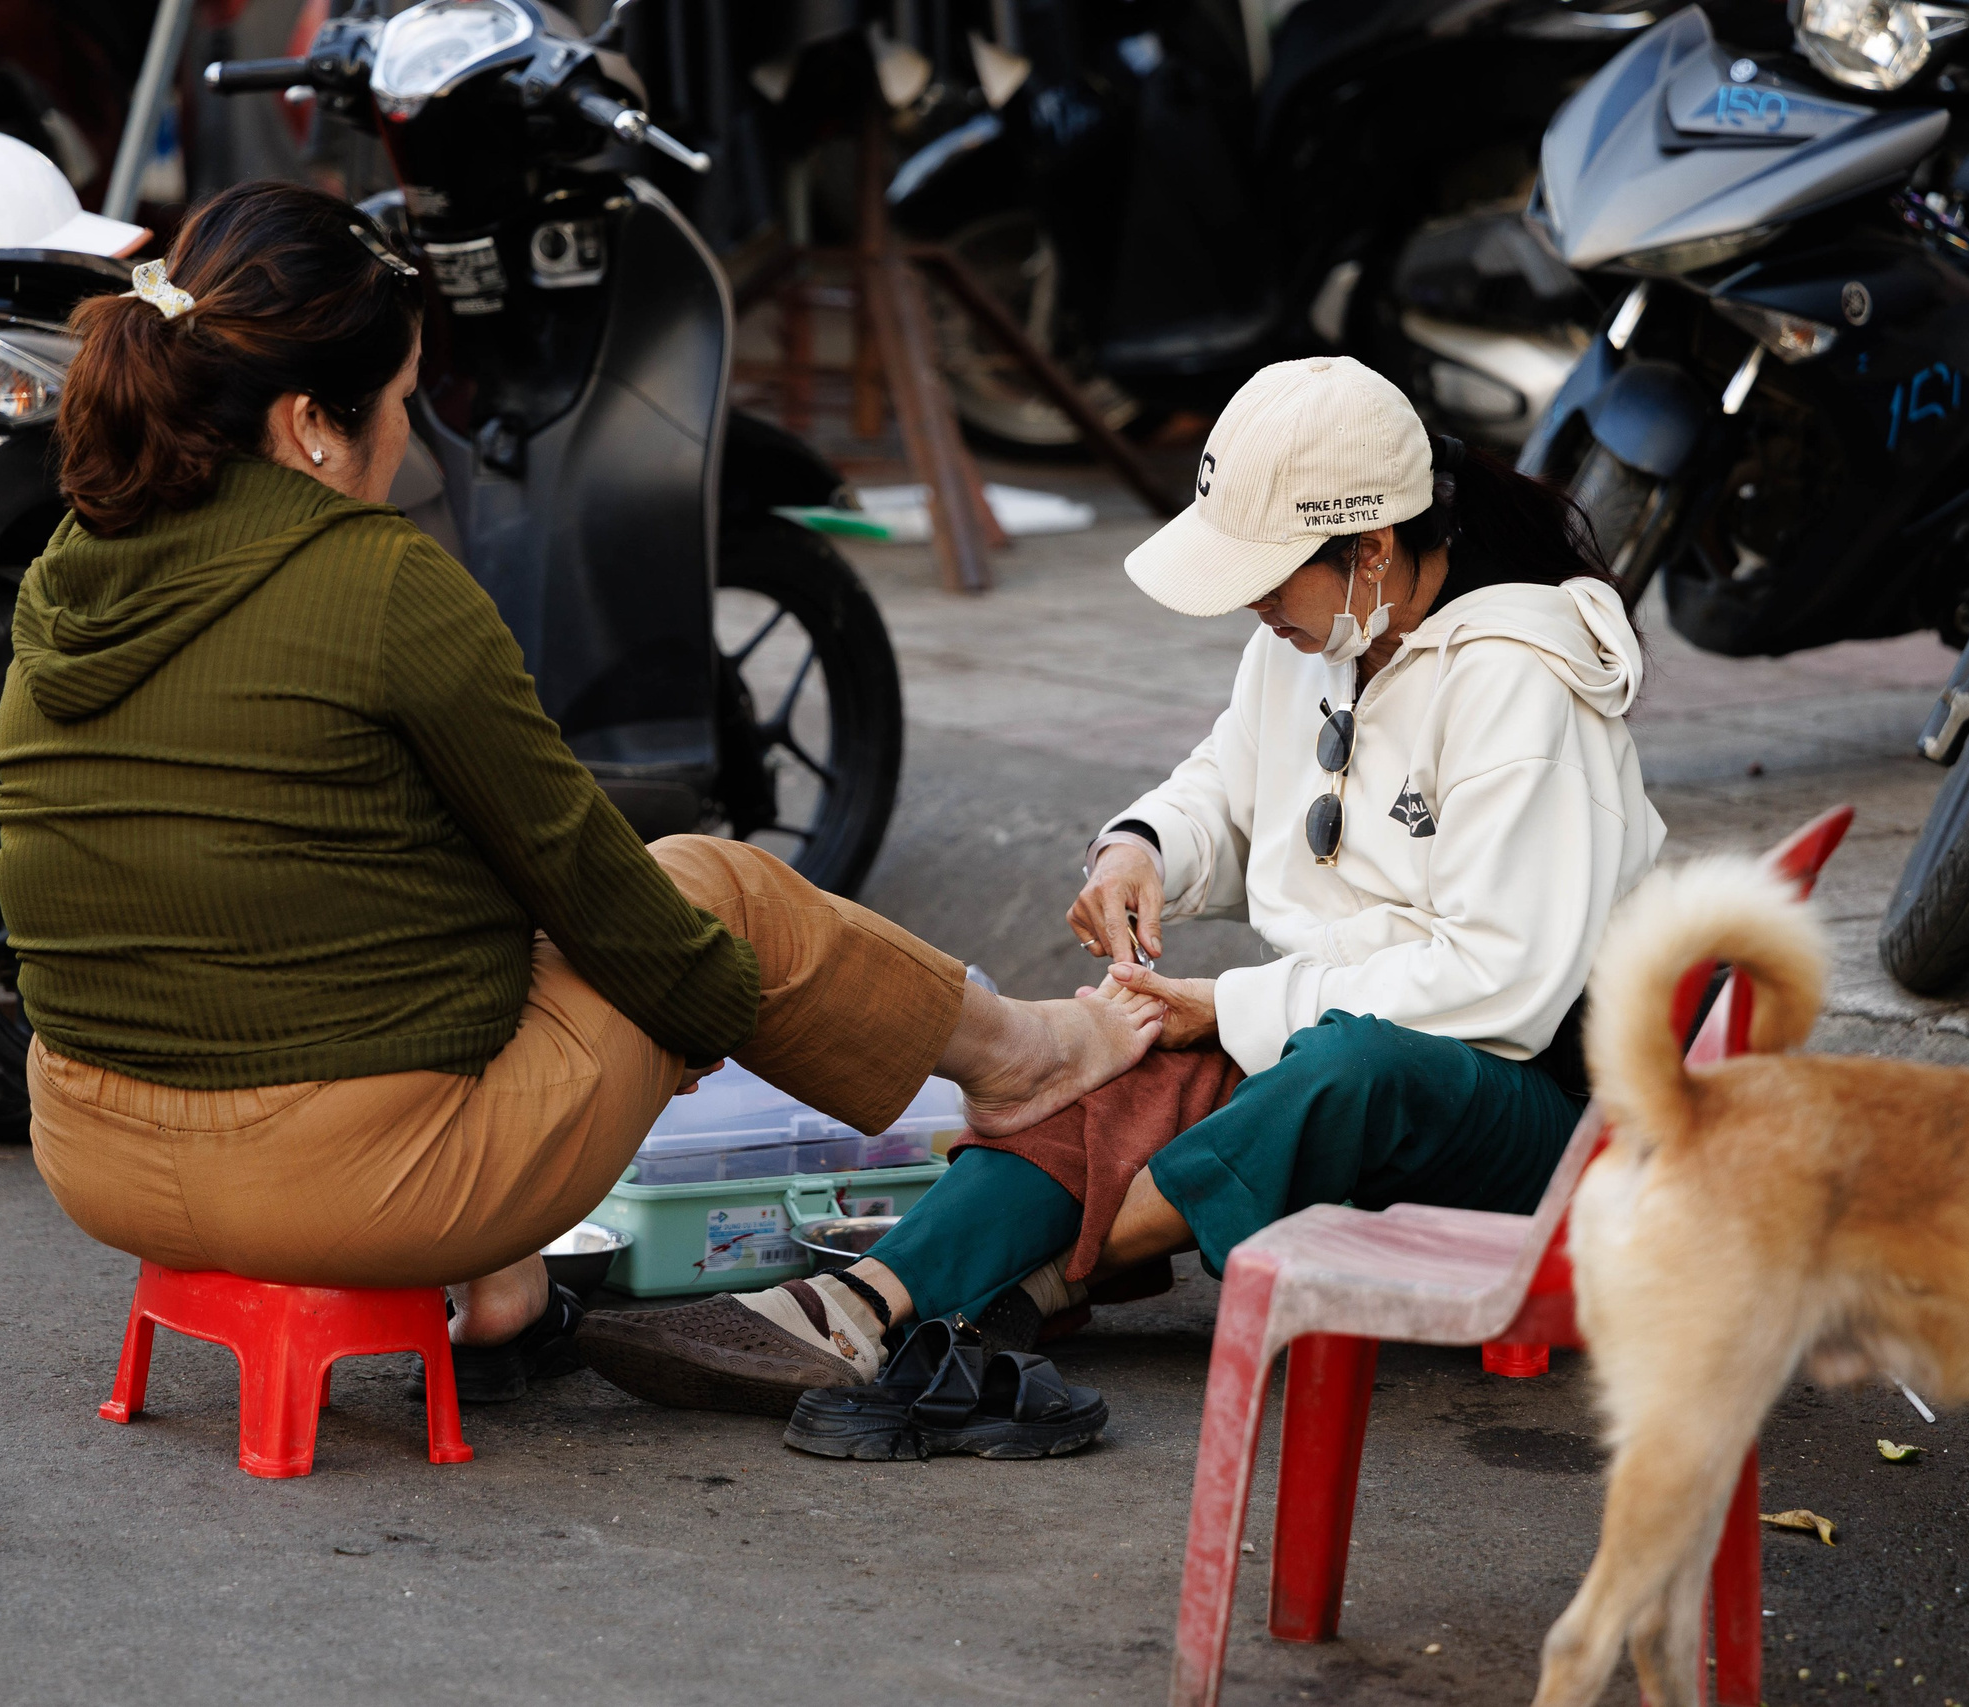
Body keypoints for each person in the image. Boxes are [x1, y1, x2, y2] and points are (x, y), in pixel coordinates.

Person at [0, 181, 1166, 1402]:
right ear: (309, 425)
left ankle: (503, 1293)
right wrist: (707, 1012)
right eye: (401, 405)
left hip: (95, 1157)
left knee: (441, 908)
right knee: (714, 890)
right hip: (334, 1185)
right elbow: (608, 899)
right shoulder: (382, 582)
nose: (413, 441)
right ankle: (1024, 1057)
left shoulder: (73, 567)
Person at [597, 355, 1669, 1423]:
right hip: (1342, 1037)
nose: (1255, 608)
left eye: (1270, 578)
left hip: (1540, 1122)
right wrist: (1142, 847)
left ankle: (1036, 1271)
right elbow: (1226, 785)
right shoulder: (1319, 633)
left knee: (1345, 1066)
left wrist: (1231, 1006)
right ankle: (862, 1303)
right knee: (1110, 1062)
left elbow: (1502, 985)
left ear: (1373, 548)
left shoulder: (1522, 683)